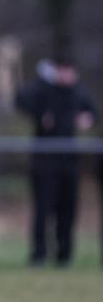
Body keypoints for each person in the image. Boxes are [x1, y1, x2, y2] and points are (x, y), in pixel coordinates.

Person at [16, 57, 97, 267]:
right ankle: (39, 255)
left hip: (68, 162)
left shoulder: (78, 93)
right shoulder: (44, 90)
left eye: (70, 71)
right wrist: (43, 86)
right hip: (44, 162)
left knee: (68, 210)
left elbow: (93, 112)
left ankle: (64, 256)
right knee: (43, 210)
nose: (66, 75)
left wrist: (87, 119)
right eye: (62, 71)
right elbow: (21, 100)